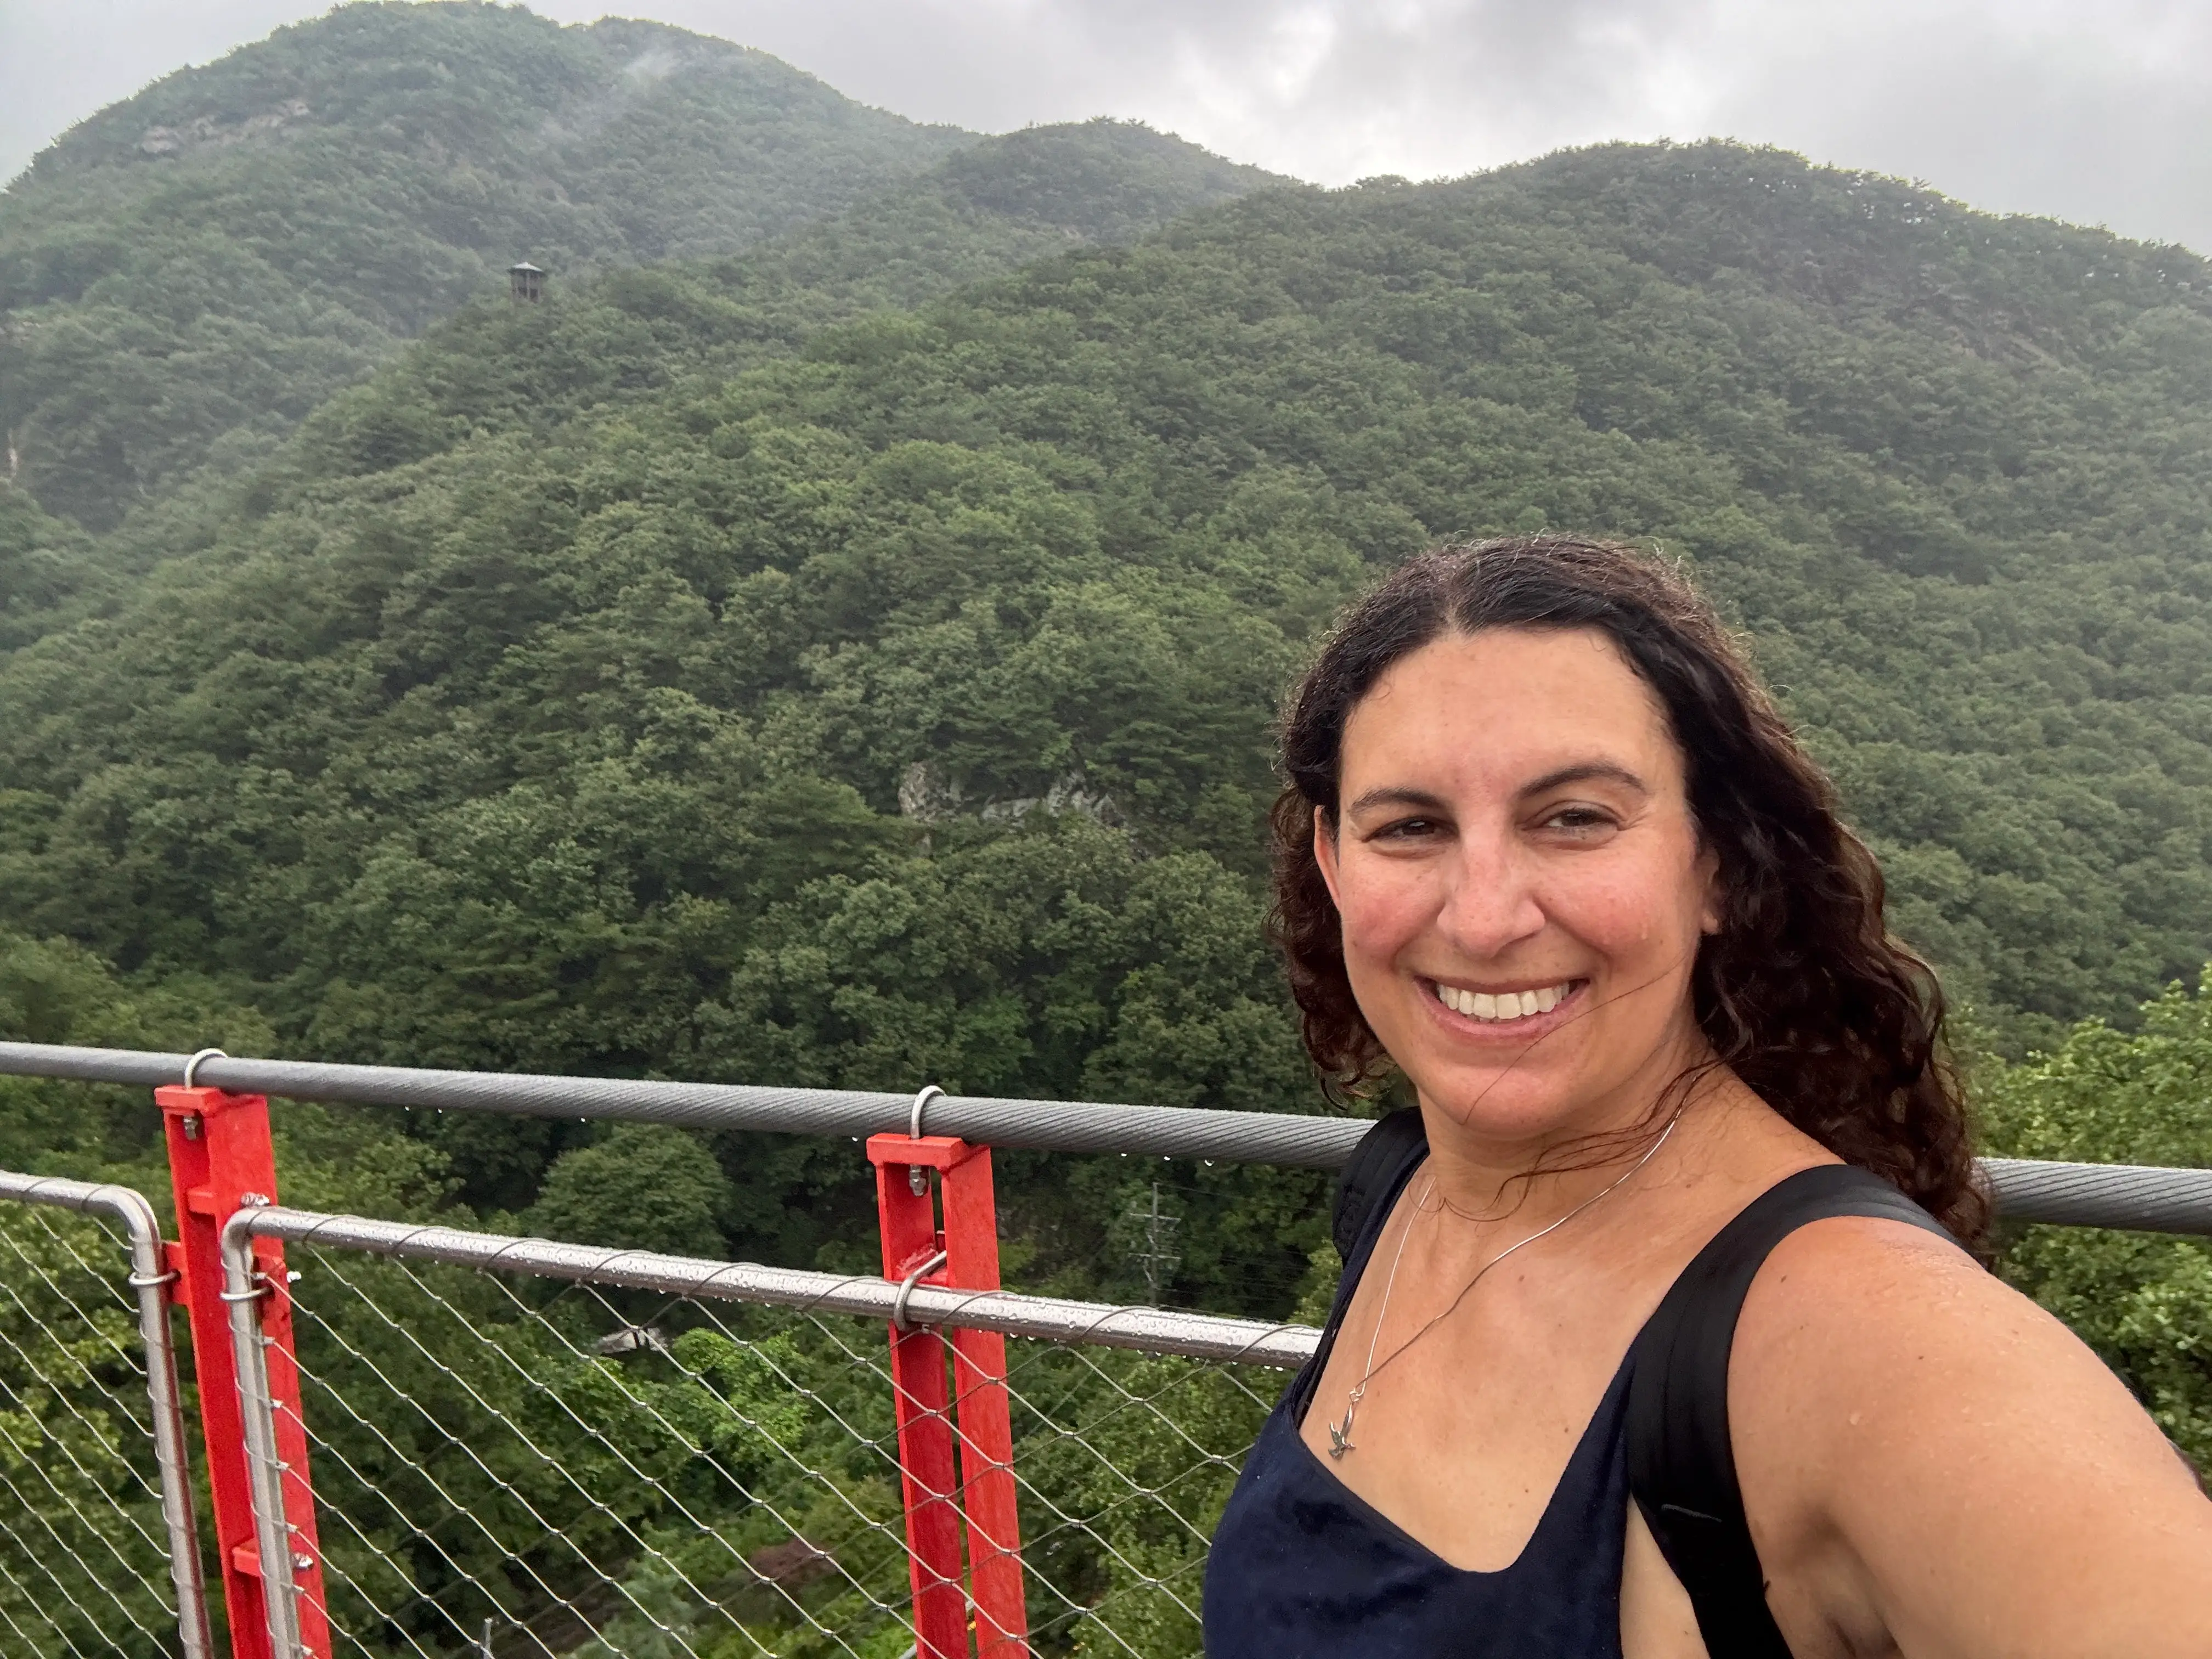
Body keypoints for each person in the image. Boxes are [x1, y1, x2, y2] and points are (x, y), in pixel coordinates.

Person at [1201, 536, 2212, 1657]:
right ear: (1337, 866)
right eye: (1411, 827)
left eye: (1575, 816)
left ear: (1718, 864)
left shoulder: (1858, 1352)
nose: (1484, 918)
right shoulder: (1401, 1190)